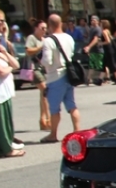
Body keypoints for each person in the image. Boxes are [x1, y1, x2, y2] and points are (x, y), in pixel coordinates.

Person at [39, 14, 81, 143]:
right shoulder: (69, 38)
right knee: (71, 105)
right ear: (61, 24)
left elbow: (47, 60)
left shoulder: (48, 41)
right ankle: (77, 131)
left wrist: (42, 63)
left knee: (54, 108)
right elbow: (72, 53)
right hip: (69, 75)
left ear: (50, 25)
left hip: (55, 76)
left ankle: (53, 134)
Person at [25, 20, 51, 131]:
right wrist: (41, 47)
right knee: (45, 90)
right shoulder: (31, 38)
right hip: (33, 68)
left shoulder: (44, 39)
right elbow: (28, 51)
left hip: (43, 68)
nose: (44, 30)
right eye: (42, 28)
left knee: (43, 94)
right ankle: (48, 119)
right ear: (36, 28)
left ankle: (42, 120)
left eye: (46, 28)